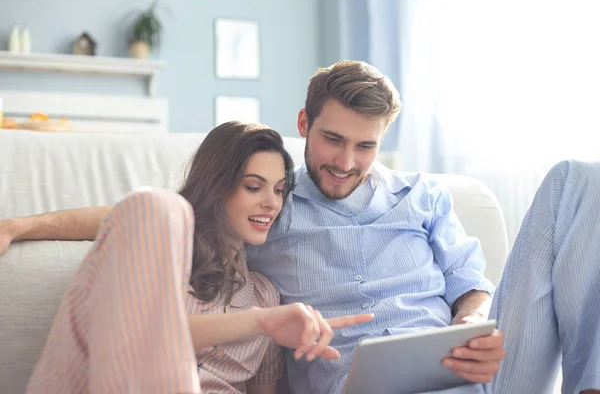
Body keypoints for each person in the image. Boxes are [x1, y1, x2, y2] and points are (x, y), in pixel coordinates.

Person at [2, 61, 599, 394]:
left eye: (365, 147)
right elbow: (163, 215)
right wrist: (23, 224)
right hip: (359, 388)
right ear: (304, 123)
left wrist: (470, 322)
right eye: (332, 139)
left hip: (478, 380)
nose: (345, 162)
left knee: (578, 180)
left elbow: (471, 283)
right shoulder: (273, 198)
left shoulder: (424, 196)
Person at [15, 121, 374, 394]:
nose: (271, 203)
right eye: (253, 186)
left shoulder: (266, 296)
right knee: (160, 207)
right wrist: (18, 227)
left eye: (280, 191)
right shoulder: (162, 251)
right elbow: (142, 330)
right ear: (217, 187)